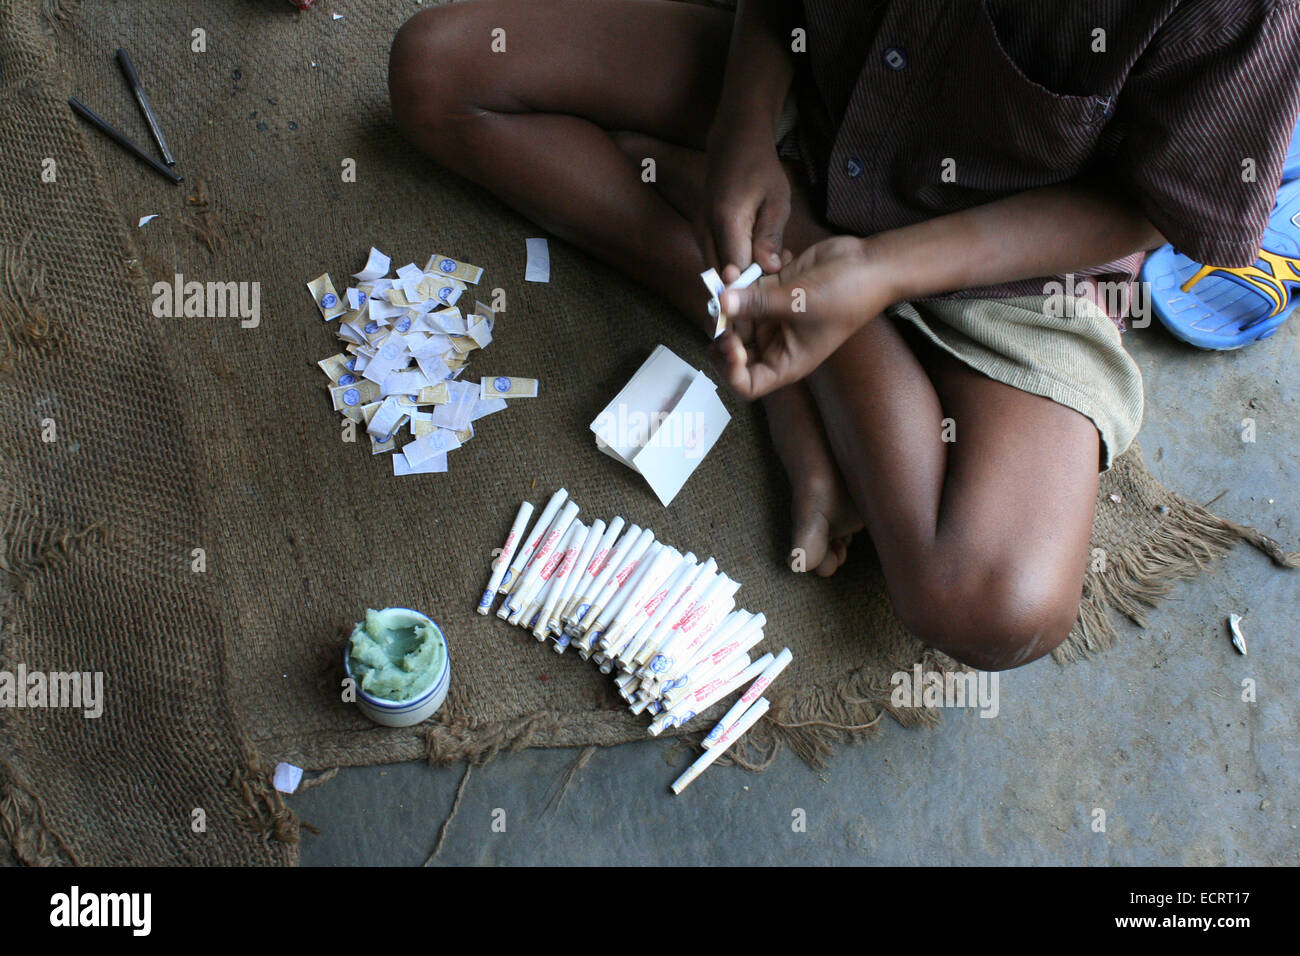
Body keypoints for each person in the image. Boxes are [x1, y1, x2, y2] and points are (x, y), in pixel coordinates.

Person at [388, 0, 1300, 669]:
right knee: (438, 73)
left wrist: (880, 274)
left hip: (1014, 262)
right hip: (817, 98)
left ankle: (797, 294)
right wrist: (745, 129)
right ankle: (779, 329)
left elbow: (1148, 212)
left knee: (994, 605)